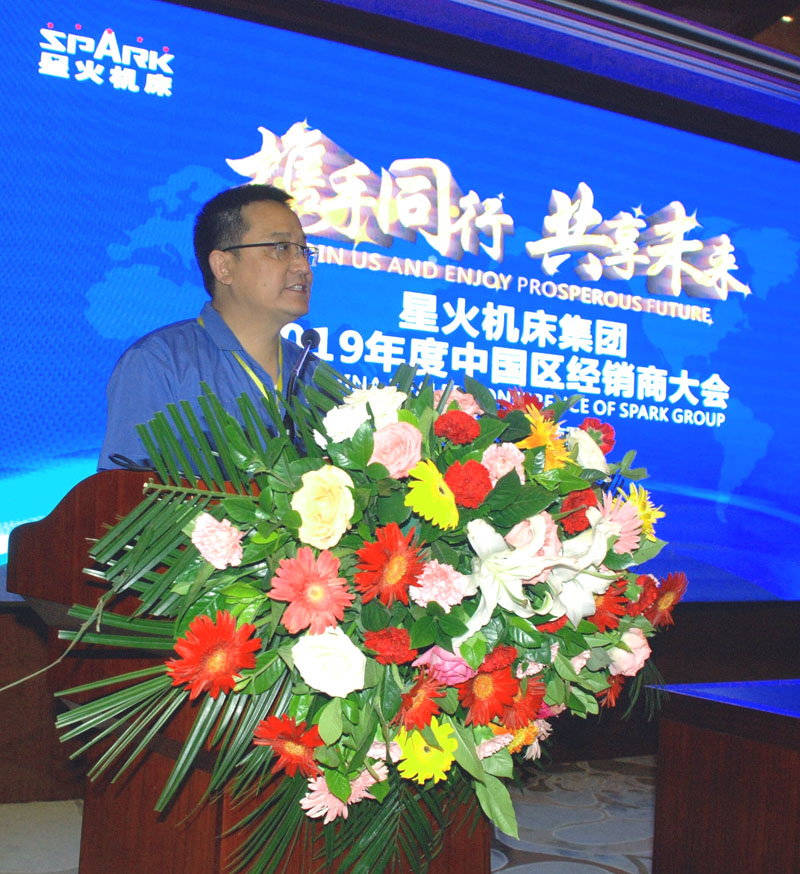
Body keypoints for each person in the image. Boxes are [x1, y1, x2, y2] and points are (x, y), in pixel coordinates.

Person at [98, 184, 317, 470]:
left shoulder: (315, 377)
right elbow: (123, 491)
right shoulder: (160, 364)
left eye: (303, 250)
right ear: (223, 266)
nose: (303, 267)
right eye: (281, 248)